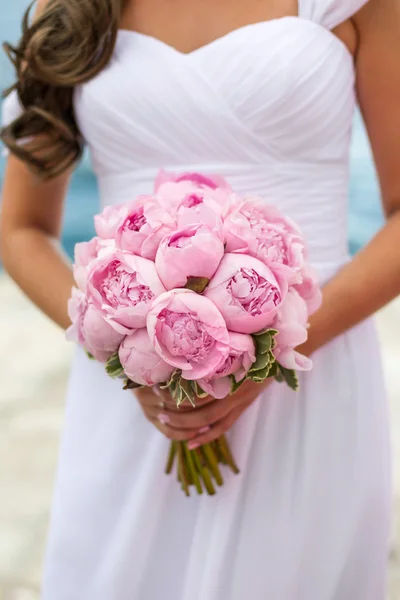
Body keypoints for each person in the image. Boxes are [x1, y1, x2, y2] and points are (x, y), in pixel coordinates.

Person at [0, 0, 396, 598]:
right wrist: (126, 343)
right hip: (135, 399)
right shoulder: (70, 9)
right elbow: (20, 228)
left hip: (309, 380)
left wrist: (277, 348)